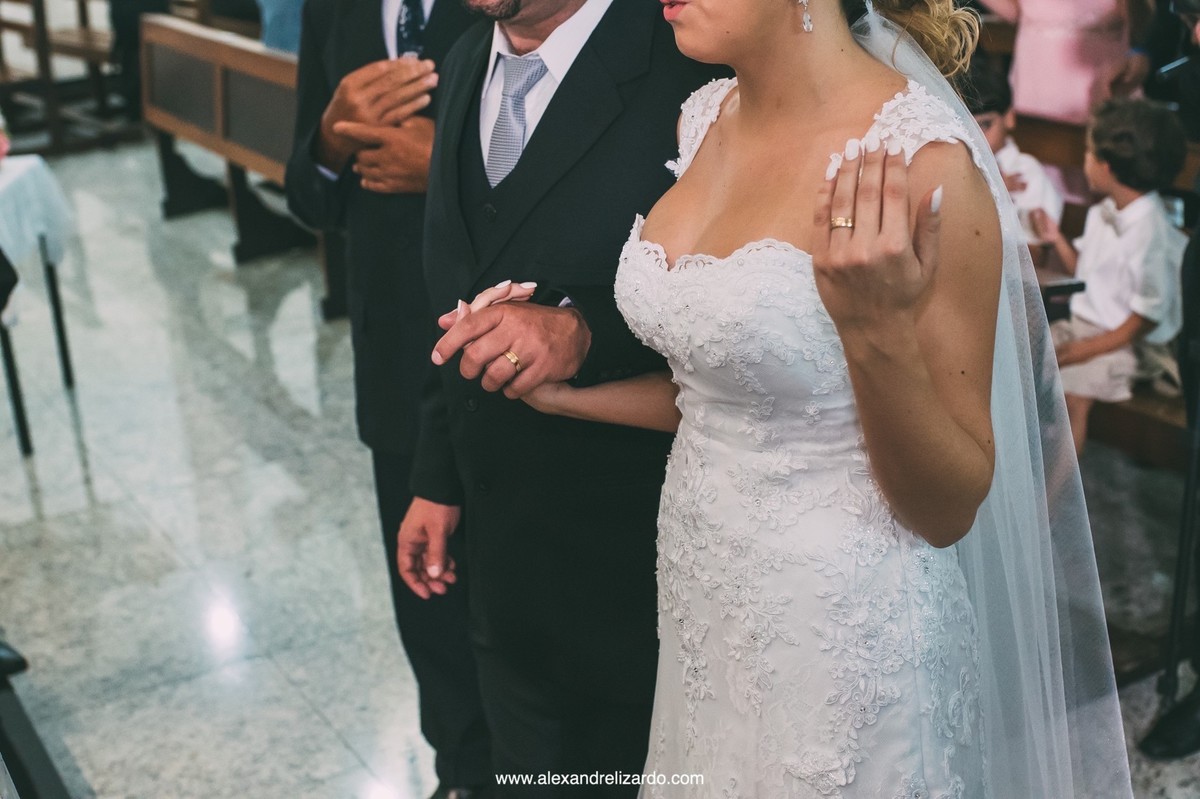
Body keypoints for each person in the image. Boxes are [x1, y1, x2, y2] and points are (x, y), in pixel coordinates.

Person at [457, 0, 1134, 795]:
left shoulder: (926, 165)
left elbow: (951, 505)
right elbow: (723, 398)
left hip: (845, 629)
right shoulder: (701, 118)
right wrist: (564, 397)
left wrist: (873, 329)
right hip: (704, 601)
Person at [395, 0, 723, 792]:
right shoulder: (468, 56)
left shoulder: (692, 60)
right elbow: (457, 284)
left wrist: (584, 327)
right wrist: (437, 476)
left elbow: (753, 299)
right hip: (504, 565)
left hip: (636, 564)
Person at [283, 2, 491, 797]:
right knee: (429, 601)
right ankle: (461, 771)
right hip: (394, 355)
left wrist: (442, 163)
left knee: (518, 601)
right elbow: (308, 195)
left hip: (508, 347)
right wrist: (332, 138)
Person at [1033, 98, 1188, 455]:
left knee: (1072, 398)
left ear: (1106, 165)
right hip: (1082, 323)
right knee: (1026, 359)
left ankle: (1057, 502)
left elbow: (1145, 320)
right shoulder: (1103, 211)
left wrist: (1082, 350)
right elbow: (1084, 275)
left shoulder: (1151, 232)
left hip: (1122, 342)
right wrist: (1056, 238)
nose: (1083, 160)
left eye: (1087, 153)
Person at [981, 0, 1141, 124]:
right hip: (1036, 76)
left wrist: (1139, 52)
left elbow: (1146, 18)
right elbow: (1017, 11)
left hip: (1101, 73)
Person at [965, 53, 1064, 244]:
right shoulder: (958, 163)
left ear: (1009, 117)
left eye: (985, 125)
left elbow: (1034, 254)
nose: (976, 136)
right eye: (968, 127)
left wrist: (993, 192)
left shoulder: (1025, 171)